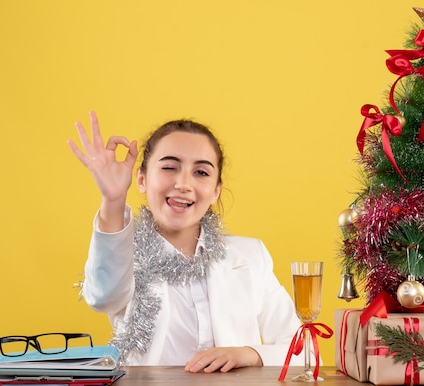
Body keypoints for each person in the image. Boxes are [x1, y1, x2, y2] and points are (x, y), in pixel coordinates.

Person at [67, 111, 303, 373]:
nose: (183, 183)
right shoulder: (125, 253)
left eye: (201, 172)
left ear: (215, 191)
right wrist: (113, 200)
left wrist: (249, 354)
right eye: (169, 167)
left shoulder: (250, 256)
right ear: (142, 179)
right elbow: (103, 297)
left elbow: (304, 350)